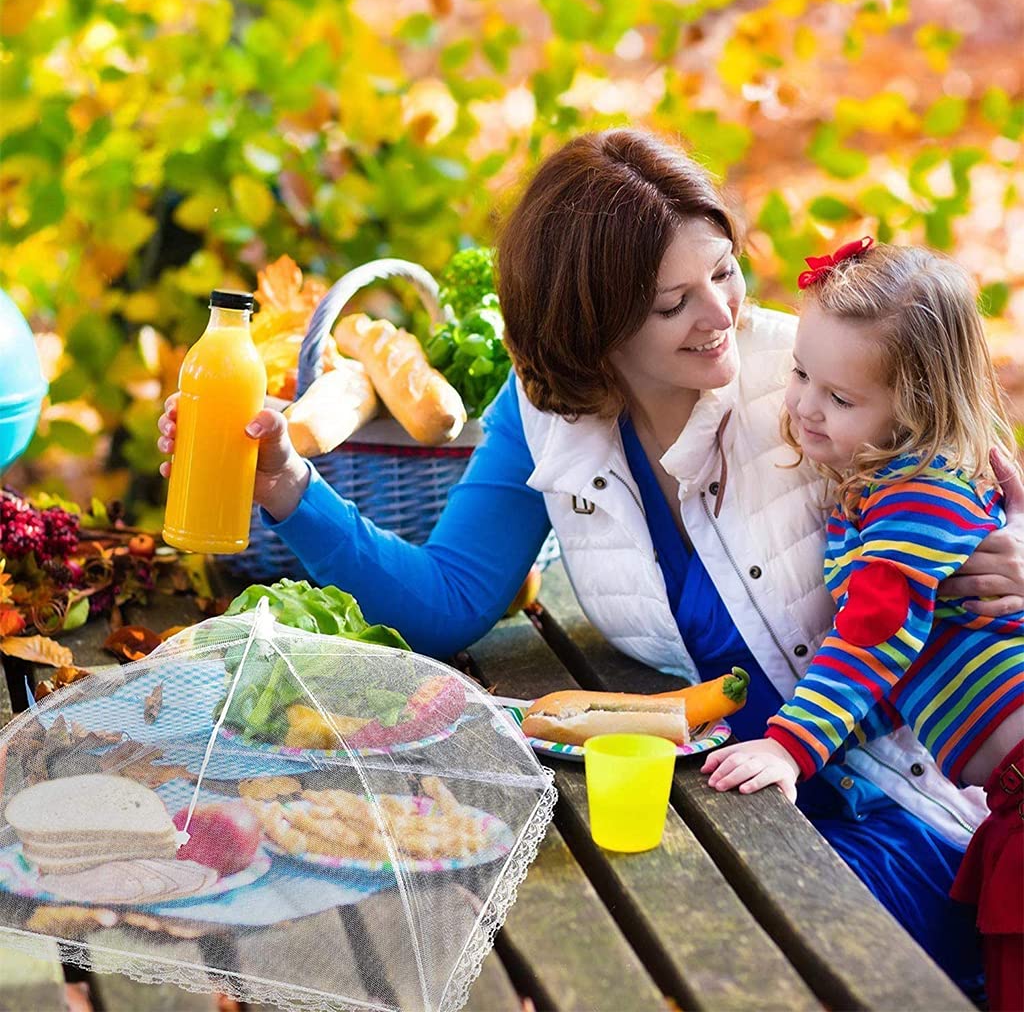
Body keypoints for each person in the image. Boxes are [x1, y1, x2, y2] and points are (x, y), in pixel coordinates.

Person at [159, 129, 1024, 999]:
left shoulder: (821, 382)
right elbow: (448, 600)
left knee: (708, 968)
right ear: (590, 323)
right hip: (729, 800)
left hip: (902, 808)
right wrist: (285, 486)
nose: (719, 313)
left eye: (722, 271)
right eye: (670, 302)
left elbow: (971, 474)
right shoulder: (546, 408)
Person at [701, 239, 1023, 1010]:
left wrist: (791, 746)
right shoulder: (891, 488)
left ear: (918, 408)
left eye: (842, 399)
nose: (807, 405)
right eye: (802, 374)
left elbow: (872, 640)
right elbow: (910, 666)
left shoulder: (917, 498)